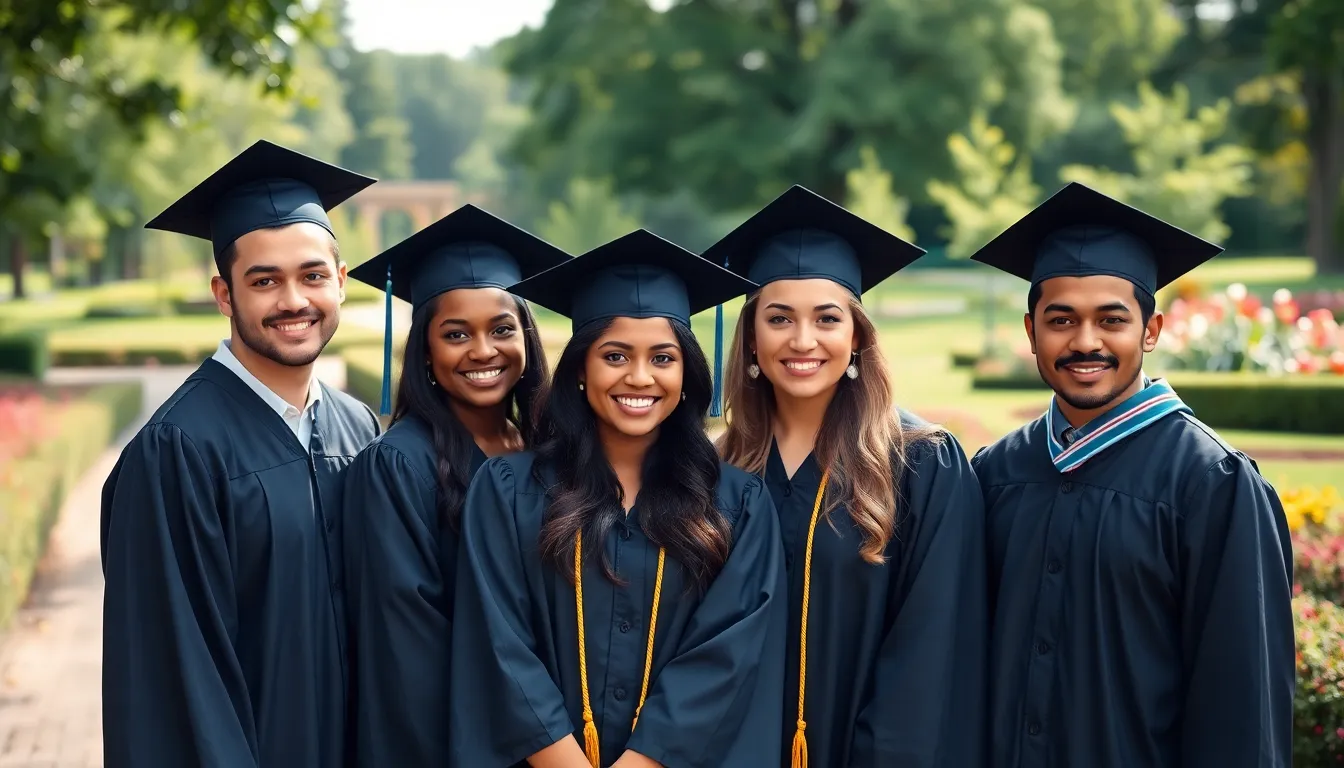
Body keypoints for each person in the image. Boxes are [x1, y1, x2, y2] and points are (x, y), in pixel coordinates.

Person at [967, 181, 1295, 768]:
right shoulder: (992, 474)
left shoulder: (1212, 484)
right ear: (1030, 332)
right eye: (1061, 319)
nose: (1085, 341)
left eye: (1111, 320)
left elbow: (1243, 705)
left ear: (1151, 330)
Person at [448, 229, 789, 768]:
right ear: (581, 370)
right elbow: (500, 645)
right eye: (614, 355)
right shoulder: (508, 490)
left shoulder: (739, 505)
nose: (639, 377)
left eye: (662, 358)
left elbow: (727, 658)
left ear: (685, 373)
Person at [100, 139, 382, 768]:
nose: (293, 301)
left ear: (341, 281)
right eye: (264, 281)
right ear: (224, 294)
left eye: (312, 275)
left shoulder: (357, 428)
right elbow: (172, 682)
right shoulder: (178, 450)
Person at [705, 185, 990, 768]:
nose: (802, 340)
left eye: (827, 319)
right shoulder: (714, 469)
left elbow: (931, 655)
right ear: (752, 341)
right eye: (778, 318)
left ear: (856, 336)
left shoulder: (921, 465)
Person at [340, 204, 570, 766]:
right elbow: (408, 657)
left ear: (527, 338)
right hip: (458, 748)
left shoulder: (549, 452)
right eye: (455, 334)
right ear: (424, 347)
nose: (483, 351)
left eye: (501, 329)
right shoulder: (397, 467)